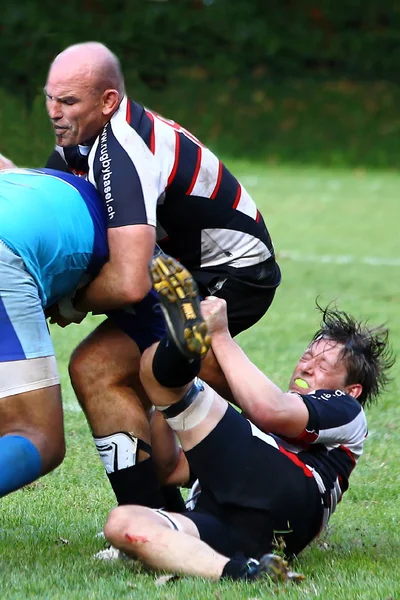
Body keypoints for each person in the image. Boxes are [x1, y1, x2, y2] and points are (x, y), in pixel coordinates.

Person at [41, 41, 281, 509]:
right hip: (176, 271)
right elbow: (53, 203)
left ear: (108, 101)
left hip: (231, 274)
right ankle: (156, 516)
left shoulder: (122, 149)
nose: (54, 111)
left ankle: (305, 461)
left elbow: (129, 282)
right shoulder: (85, 137)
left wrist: (69, 301)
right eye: (49, 97)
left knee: (166, 370)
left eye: (68, 101)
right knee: (96, 368)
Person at [103, 254, 394, 581]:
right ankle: (244, 572)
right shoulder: (245, 440)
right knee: (123, 524)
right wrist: (166, 406)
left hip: (294, 490)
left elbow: (271, 410)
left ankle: (180, 340)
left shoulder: (346, 410)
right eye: (306, 357)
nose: (306, 367)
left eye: (323, 366)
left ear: (352, 389)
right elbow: (170, 469)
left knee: (153, 366)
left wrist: (220, 336)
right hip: (252, 536)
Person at [0, 167, 165, 498]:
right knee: (36, 435)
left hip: (17, 235)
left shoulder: (43, 179)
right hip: (8, 249)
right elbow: (136, 292)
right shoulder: (131, 243)